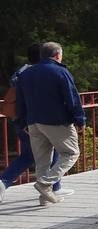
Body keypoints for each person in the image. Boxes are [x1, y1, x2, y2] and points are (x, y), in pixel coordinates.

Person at [15, 42, 85, 207]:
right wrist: (80, 119)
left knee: (42, 160)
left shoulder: (26, 74)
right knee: (71, 153)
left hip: (33, 122)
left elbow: (21, 101)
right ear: (57, 55)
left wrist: (23, 121)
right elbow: (72, 98)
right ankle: (45, 184)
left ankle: (44, 198)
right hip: (57, 120)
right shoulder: (60, 71)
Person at [0, 44, 66, 203]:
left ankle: (54, 187)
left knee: (31, 154)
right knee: (49, 150)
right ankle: (51, 188)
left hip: (19, 120)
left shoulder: (20, 71)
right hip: (36, 120)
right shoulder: (40, 73)